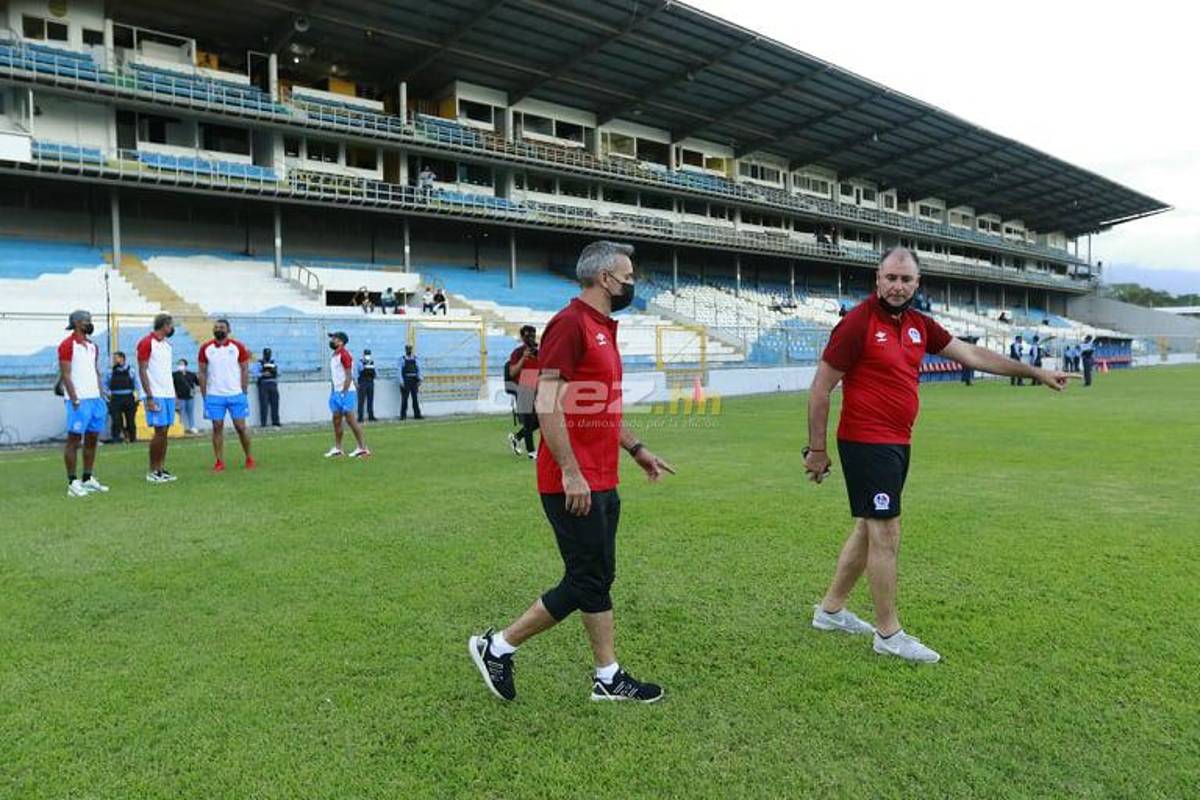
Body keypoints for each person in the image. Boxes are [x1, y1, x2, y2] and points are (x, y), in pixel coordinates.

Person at [804, 248, 1076, 664]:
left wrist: (1035, 372)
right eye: (891, 278)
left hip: (898, 442)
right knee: (886, 531)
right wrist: (817, 450)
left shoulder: (919, 325)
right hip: (866, 441)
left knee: (869, 527)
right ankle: (888, 633)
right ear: (877, 279)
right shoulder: (857, 323)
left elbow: (973, 355)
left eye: (906, 280)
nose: (897, 286)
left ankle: (831, 611)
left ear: (917, 284)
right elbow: (821, 387)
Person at [469, 240, 675, 703]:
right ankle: (498, 647)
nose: (632, 283)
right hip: (573, 482)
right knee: (586, 578)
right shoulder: (570, 323)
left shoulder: (602, 328)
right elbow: (546, 401)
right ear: (605, 279)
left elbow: (599, 406)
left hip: (602, 476)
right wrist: (570, 471)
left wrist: (636, 448)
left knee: (597, 578)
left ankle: (606, 676)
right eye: (628, 276)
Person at [58, 309, 109, 497]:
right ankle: (72, 482)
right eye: (87, 321)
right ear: (78, 323)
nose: (90, 323)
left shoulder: (93, 346)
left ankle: (87, 478)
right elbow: (66, 374)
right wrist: (74, 399)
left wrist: (101, 393)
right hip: (79, 400)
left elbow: (95, 371)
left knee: (92, 439)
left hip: (95, 399)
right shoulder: (67, 345)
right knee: (74, 440)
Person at [198, 318, 254, 472]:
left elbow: (244, 369)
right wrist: (204, 394)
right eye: (216, 327)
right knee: (217, 427)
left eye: (222, 327)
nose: (218, 329)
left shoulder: (238, 347)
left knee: (241, 427)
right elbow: (202, 372)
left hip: (236, 394)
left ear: (228, 330)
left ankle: (249, 457)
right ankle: (219, 461)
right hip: (214, 395)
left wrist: (243, 390)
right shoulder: (206, 348)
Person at [137, 313, 178, 483]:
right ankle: (152, 470)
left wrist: (173, 394)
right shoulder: (147, 343)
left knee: (165, 431)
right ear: (164, 325)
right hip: (155, 394)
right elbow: (142, 370)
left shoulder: (167, 346)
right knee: (159, 431)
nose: (172, 328)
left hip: (167, 393)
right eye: (171, 325)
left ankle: (161, 468)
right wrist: (149, 396)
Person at [325, 331, 370, 458]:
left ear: (341, 341)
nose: (332, 340)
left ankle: (362, 448)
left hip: (346, 392)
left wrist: (344, 392)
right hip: (336, 391)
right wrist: (334, 392)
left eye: (334, 338)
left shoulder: (344, 355)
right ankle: (338, 448)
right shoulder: (334, 355)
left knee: (350, 419)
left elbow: (349, 375)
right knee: (336, 419)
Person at [506, 325, 540, 460]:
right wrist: (523, 359)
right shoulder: (517, 353)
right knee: (528, 421)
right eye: (527, 336)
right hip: (524, 386)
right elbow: (512, 372)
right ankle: (532, 452)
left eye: (532, 335)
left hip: (537, 386)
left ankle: (517, 437)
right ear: (522, 337)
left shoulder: (538, 352)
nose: (530, 338)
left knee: (539, 421)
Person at [105, 351, 140, 444]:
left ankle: (132, 438)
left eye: (116, 358)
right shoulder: (110, 371)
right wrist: (107, 394)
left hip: (129, 397)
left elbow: (137, 384)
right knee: (116, 420)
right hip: (115, 397)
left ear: (122, 359)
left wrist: (138, 395)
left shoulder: (131, 370)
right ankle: (116, 438)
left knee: (130, 420)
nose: (114, 360)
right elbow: (105, 384)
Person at [173, 358, 200, 434]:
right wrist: (175, 397)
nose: (180, 366)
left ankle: (192, 427)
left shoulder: (191, 374)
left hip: (190, 397)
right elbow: (173, 386)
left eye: (182, 364)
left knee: (190, 412)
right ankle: (181, 427)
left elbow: (198, 383)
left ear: (186, 365)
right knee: (181, 413)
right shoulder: (175, 375)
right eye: (179, 364)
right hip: (180, 397)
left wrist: (196, 390)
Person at [256, 348, 281, 427]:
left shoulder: (274, 363)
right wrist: (263, 374)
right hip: (263, 384)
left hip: (273, 383)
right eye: (266, 354)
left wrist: (273, 372)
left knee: (275, 404)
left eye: (269, 354)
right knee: (264, 404)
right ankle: (263, 423)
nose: (267, 356)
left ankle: (276, 421)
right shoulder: (259, 363)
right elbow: (255, 372)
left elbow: (279, 372)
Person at [399, 344, 423, 420]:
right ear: (405, 350)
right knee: (404, 399)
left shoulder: (415, 359)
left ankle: (417, 414)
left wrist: (420, 379)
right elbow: (399, 371)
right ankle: (403, 415)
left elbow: (419, 369)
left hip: (414, 380)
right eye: (407, 349)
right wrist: (401, 381)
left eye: (410, 349)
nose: (409, 350)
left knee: (415, 398)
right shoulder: (402, 359)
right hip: (406, 380)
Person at [357, 348, 378, 422]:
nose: (367, 355)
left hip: (370, 381)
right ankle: (360, 417)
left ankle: (371, 416)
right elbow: (358, 372)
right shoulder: (360, 362)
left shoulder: (372, 362)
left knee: (370, 400)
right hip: (363, 382)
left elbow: (375, 372)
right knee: (361, 400)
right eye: (366, 354)